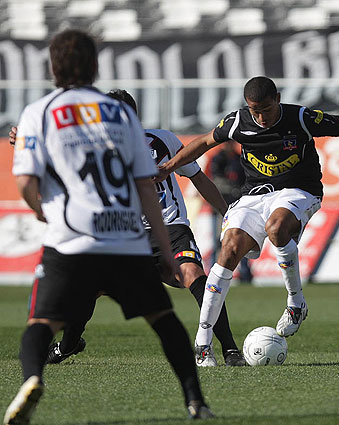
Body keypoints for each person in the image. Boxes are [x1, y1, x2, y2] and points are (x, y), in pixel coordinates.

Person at [3, 30, 213, 424]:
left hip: (72, 237)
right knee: (163, 319)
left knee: (42, 322)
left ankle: (32, 379)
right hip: (126, 238)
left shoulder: (40, 112)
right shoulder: (120, 115)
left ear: (53, 68)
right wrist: (164, 247)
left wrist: (42, 211)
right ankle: (195, 401)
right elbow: (145, 185)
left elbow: (27, 182)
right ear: (95, 66)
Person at [157, 76, 339, 362]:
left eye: (266, 110)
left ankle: (295, 303)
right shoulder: (238, 121)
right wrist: (167, 168)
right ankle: (203, 343)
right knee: (228, 249)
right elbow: (203, 142)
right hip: (253, 196)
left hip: (298, 190)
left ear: (278, 99)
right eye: (255, 111)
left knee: (277, 227)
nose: (261, 117)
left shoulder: (301, 118)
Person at [40, 89, 245, 368]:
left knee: (195, 275)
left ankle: (230, 349)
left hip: (170, 228)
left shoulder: (162, 141)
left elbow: (198, 177)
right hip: (124, 235)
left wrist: (227, 213)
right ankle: (67, 346)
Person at [209, 141, 253, 283]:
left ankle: (245, 273)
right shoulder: (218, 158)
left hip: (238, 204)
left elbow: (246, 178)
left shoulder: (239, 158)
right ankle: (214, 272)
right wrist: (234, 189)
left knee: (243, 238)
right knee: (218, 240)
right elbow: (216, 181)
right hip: (221, 205)